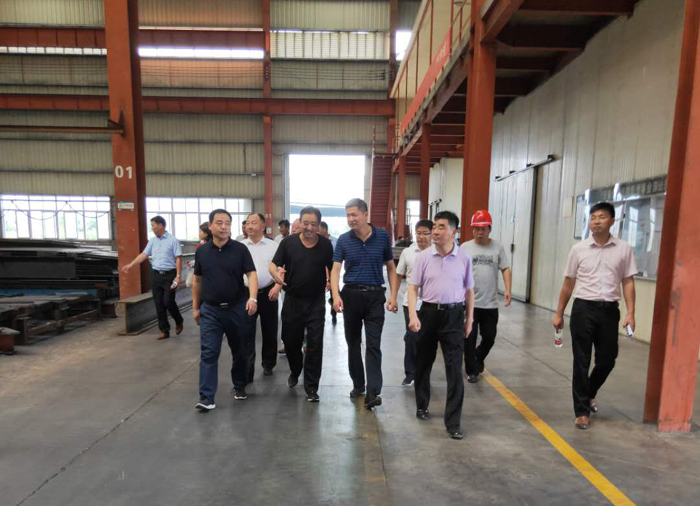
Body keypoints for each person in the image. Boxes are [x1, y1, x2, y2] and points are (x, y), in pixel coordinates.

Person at [552, 202, 637, 430]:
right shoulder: (578, 249)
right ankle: (581, 411)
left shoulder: (623, 249)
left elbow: (628, 281)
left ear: (612, 221)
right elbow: (568, 282)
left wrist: (631, 312)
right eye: (593, 217)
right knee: (581, 360)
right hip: (583, 309)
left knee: (607, 359)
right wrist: (559, 313)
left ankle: (589, 392)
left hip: (609, 310)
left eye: (601, 217)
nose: (596, 221)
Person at [408, 211, 474, 440]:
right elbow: (413, 287)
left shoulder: (464, 257)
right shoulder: (424, 257)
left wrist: (469, 319)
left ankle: (453, 422)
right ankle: (422, 405)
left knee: (454, 369)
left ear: (453, 232)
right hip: (428, 313)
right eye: (434, 226)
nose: (435, 231)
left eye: (441, 227)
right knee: (423, 363)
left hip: (454, 316)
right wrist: (413, 315)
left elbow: (469, 290)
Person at [331, 198, 398, 409]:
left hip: (375, 296)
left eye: (354, 214)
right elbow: (335, 269)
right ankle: (358, 384)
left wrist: (394, 295)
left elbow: (391, 267)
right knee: (353, 343)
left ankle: (373, 391)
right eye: (348, 215)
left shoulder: (382, 237)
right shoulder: (343, 240)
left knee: (373, 344)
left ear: (365, 214)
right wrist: (336, 295)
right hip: (350, 295)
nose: (350, 219)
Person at [192, 209, 258, 412]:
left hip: (236, 308)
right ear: (210, 226)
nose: (223, 227)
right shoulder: (202, 251)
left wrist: (253, 298)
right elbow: (197, 280)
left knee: (239, 350)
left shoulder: (240, 249)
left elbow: (252, 274)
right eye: (219, 223)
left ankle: (239, 385)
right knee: (209, 352)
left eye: (227, 223)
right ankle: (206, 397)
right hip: (210, 310)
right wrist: (195, 307)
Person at [270, 206, 334, 402]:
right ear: (299, 222)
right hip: (293, 300)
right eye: (306, 223)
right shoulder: (288, 243)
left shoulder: (325, 245)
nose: (309, 227)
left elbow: (332, 269)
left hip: (316, 302)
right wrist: (275, 276)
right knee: (290, 341)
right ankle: (295, 369)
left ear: (319, 226)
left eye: (313, 224)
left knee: (315, 344)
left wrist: (333, 288)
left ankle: (312, 387)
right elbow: (273, 264)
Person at [460, 210, 512, 383]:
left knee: (489, 337)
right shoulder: (465, 248)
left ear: (489, 229)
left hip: (490, 303)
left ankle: (478, 357)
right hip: (470, 303)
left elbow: (505, 268)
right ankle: (471, 371)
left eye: (483, 229)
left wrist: (508, 289)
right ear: (472, 230)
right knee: (469, 338)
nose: (479, 232)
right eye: (476, 229)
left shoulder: (497, 247)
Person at [122, 216, 184, 341]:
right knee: (159, 304)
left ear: (160, 225)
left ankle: (179, 320)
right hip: (156, 276)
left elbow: (178, 258)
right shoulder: (152, 241)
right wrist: (131, 265)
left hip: (170, 276)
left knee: (168, 302)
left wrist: (178, 276)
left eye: (153, 225)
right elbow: (144, 254)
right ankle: (164, 330)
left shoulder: (173, 240)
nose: (152, 228)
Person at [240, 213, 283, 381]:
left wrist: (277, 287)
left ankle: (268, 364)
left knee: (270, 331)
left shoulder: (273, 246)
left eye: (254, 223)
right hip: (246, 295)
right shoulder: (240, 246)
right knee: (246, 333)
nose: (249, 226)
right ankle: (247, 371)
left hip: (268, 293)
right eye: (248, 223)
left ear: (263, 226)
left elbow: (282, 268)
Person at [390, 219, 433, 387]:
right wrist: (393, 297)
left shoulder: (437, 252)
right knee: (412, 338)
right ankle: (410, 373)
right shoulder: (408, 252)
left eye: (425, 233)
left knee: (426, 339)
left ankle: (424, 371)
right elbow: (398, 275)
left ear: (432, 234)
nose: (421, 237)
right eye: (418, 233)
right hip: (411, 303)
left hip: (430, 304)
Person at [319, 220, 338, 324]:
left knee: (334, 291)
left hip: (333, 269)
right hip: (321, 269)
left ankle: (334, 312)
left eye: (319, 229)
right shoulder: (317, 241)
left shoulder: (335, 241)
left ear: (324, 229)